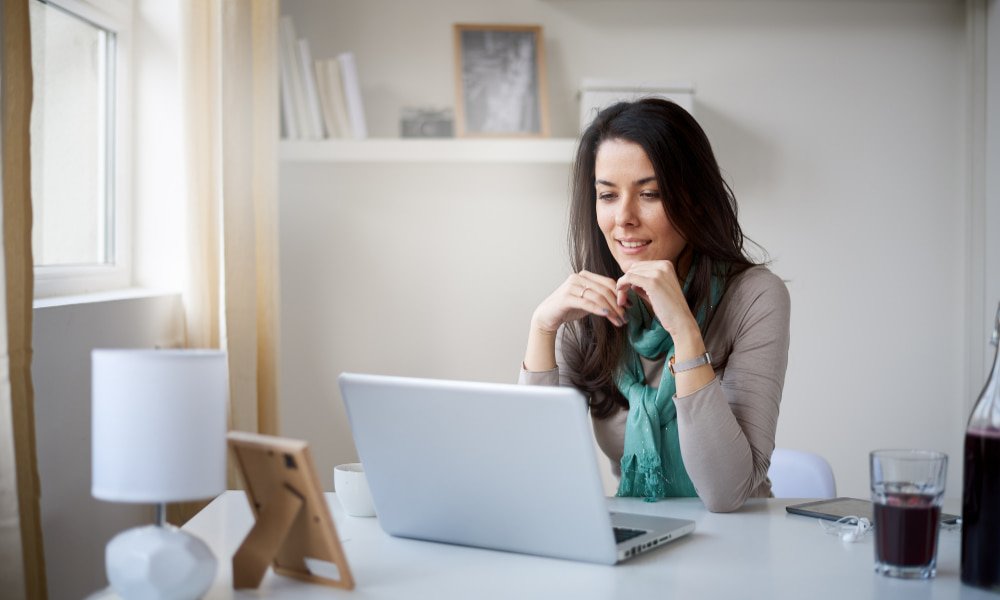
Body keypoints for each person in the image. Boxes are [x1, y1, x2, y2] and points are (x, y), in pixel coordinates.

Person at [519, 98, 790, 513]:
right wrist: (541, 330)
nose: (623, 218)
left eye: (650, 194)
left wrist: (684, 330)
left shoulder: (755, 297)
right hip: (635, 534)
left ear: (696, 200)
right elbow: (534, 473)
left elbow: (725, 492)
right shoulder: (587, 309)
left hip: (740, 541)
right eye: (607, 195)